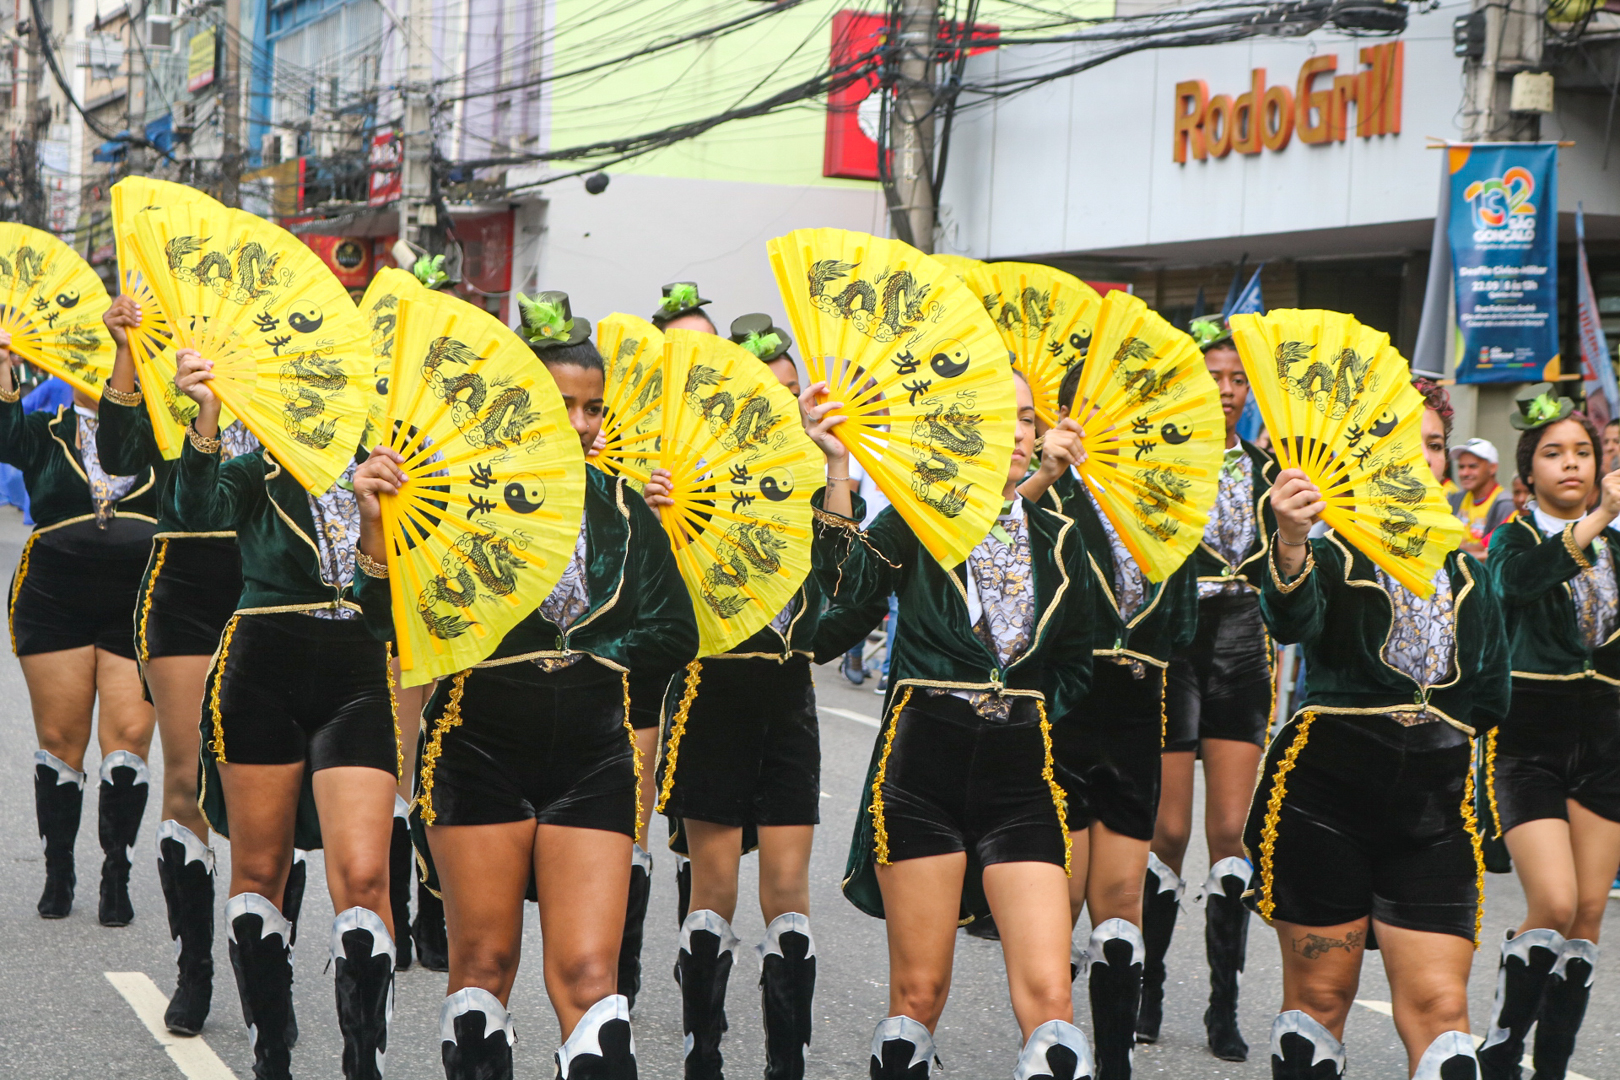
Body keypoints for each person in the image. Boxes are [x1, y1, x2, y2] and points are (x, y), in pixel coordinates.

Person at [353, 292, 698, 1080]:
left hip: (596, 756)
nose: (579, 424)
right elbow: (392, 626)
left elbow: (676, 632)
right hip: (478, 746)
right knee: (484, 966)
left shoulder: (627, 512)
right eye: (561, 403)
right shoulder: (449, 500)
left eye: (592, 408)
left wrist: (589, 647)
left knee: (589, 978)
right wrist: (376, 529)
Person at [813, 368, 1099, 1080]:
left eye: (1026, 417)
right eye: (996, 414)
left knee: (1053, 1001)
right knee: (919, 995)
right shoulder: (916, 516)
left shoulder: (1059, 535)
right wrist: (837, 465)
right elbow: (844, 596)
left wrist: (1021, 712)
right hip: (923, 772)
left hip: (1020, 779)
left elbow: (1075, 663)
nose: (1015, 430)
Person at [1249, 376, 1507, 1080]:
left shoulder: (1471, 575)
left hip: (1432, 810)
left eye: (1432, 445)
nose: (1421, 459)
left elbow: (1489, 699)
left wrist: (1484, 804)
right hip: (1325, 795)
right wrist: (1293, 540)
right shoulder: (1331, 553)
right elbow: (1288, 621)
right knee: (1319, 1007)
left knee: (1442, 1016)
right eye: (1401, 444)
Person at [172, 346, 399, 1080]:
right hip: (261, 667)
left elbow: (394, 609)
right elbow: (193, 513)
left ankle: (363, 1060)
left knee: (364, 879)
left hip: (357, 675)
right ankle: (272, 1047)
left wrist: (373, 517)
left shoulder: (396, 476)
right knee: (261, 869)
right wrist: (206, 414)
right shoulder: (253, 471)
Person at [96, 295, 318, 1036]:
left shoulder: (309, 381)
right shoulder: (180, 365)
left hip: (282, 586)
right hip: (189, 583)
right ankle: (195, 966)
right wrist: (131, 351)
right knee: (190, 777)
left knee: (280, 793)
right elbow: (120, 459)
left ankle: (271, 965)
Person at [639, 314, 823, 1080]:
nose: (780, 409)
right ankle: (701, 1052)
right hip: (711, 691)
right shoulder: (690, 483)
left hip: (789, 700)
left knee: (786, 891)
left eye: (789, 396)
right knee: (712, 889)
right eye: (765, 399)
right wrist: (657, 518)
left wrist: (837, 470)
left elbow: (844, 595)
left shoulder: (812, 482)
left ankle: (788, 1063)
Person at [1016, 363, 1197, 1080]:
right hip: (1066, 706)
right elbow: (1000, 548)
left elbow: (1178, 621)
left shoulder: (1164, 500)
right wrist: (1045, 472)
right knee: (1056, 898)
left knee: (1123, 908)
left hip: (1136, 715)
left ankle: (1116, 1062)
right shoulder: (1046, 485)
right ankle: (1056, 1051)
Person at [1140, 315, 1278, 1061]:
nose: (1225, 391)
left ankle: (1223, 1007)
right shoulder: (1157, 461)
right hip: (1175, 645)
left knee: (1231, 836)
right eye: (1212, 377)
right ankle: (1149, 985)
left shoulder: (1267, 466)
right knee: (1168, 833)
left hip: (1241, 648)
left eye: (1236, 380)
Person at [1478, 385, 1620, 1080]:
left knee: (1588, 914)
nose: (1572, 464)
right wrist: (1596, 522)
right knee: (1555, 901)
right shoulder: (1512, 538)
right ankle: (1506, 1042)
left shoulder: (1617, 543)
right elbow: (1514, 587)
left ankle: (1553, 1066)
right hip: (1528, 741)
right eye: (1554, 454)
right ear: (1527, 472)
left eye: (1584, 452)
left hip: (1607, 743)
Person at [0, 331, 158, 930]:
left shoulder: (158, 432)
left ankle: (116, 871)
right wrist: (4, 368)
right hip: (55, 597)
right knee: (62, 742)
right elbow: (3, 434)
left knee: (128, 744)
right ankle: (58, 867)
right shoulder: (48, 431)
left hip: (138, 601)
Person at [619, 279, 723, 1007]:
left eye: (708, 351)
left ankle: (699, 980)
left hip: (721, 652)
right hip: (645, 648)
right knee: (630, 816)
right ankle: (615, 974)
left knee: (705, 822)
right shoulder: (622, 434)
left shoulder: (746, 439)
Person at [1447, 437, 1514, 557]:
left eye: (1472, 466)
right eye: (1461, 467)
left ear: (1492, 468)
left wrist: (1460, 548)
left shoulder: (1505, 504)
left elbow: (1496, 552)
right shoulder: (1455, 499)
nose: (1464, 473)